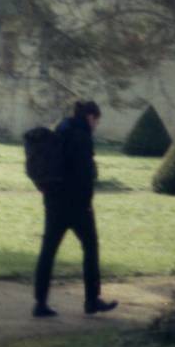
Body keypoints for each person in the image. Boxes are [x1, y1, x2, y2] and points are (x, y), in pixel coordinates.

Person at [32, 99, 118, 318]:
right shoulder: (81, 137)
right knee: (90, 248)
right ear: (91, 117)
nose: (96, 126)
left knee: (48, 251)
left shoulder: (61, 129)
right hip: (77, 205)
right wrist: (87, 202)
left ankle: (40, 302)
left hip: (54, 201)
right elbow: (84, 174)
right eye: (96, 121)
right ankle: (91, 299)